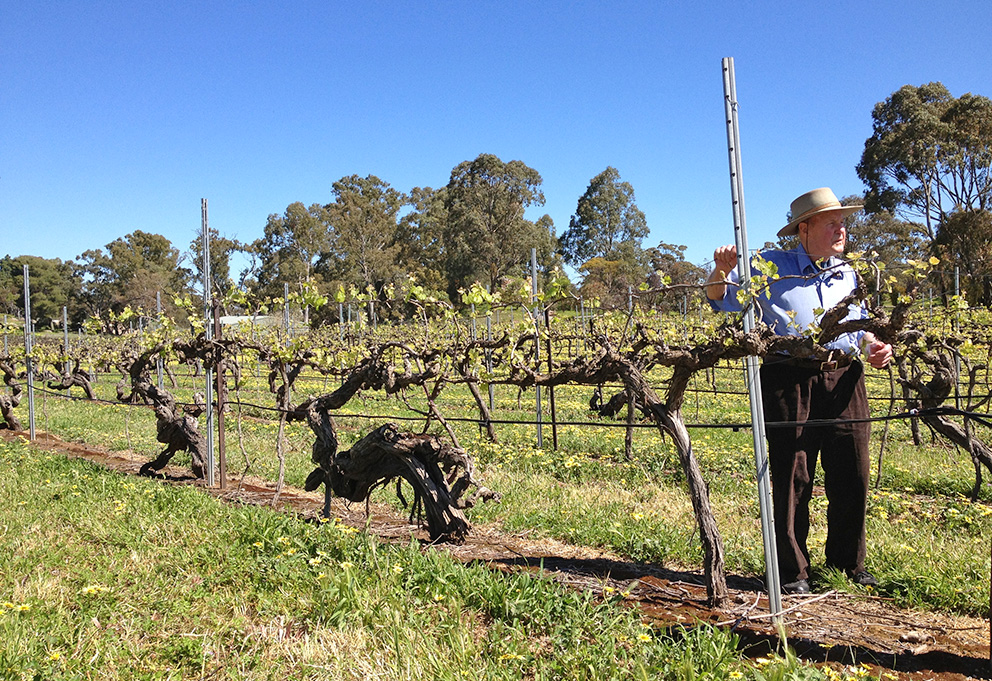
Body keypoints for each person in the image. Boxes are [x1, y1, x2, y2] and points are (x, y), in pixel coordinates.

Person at [706, 187, 893, 595]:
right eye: (832, 223)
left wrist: (875, 346)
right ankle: (792, 572)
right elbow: (721, 301)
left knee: (853, 472)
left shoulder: (848, 273)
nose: (841, 230)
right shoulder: (770, 266)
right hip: (790, 378)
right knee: (793, 475)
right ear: (804, 229)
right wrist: (720, 270)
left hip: (845, 378)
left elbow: (857, 328)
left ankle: (847, 564)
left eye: (843, 222)